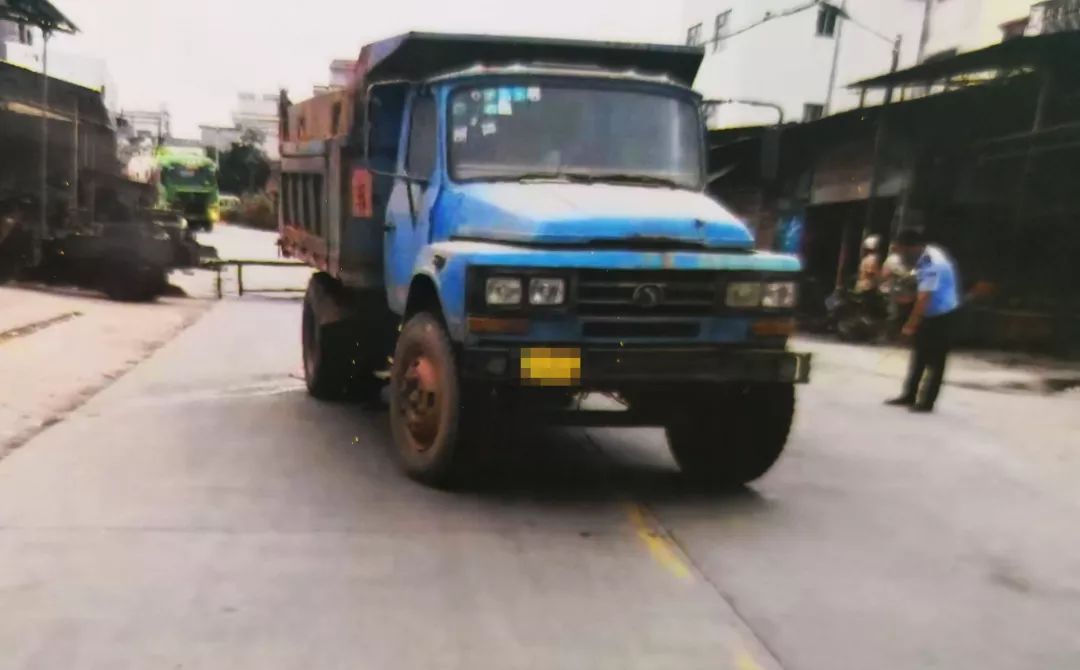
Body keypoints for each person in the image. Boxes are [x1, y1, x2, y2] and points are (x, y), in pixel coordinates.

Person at [885, 228, 960, 413]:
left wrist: (910, 325)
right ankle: (909, 395)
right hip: (930, 311)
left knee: (935, 360)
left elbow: (924, 298)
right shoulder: (927, 253)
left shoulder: (930, 262)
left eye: (901, 250)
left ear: (911, 248)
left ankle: (927, 402)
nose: (900, 254)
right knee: (919, 356)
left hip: (943, 314)